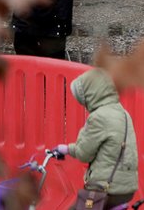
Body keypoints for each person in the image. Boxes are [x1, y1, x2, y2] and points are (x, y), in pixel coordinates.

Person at [55, 68, 139, 209]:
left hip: (107, 189)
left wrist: (66, 149)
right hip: (127, 188)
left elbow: (84, 154)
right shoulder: (124, 113)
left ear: (91, 95)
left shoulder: (99, 117)